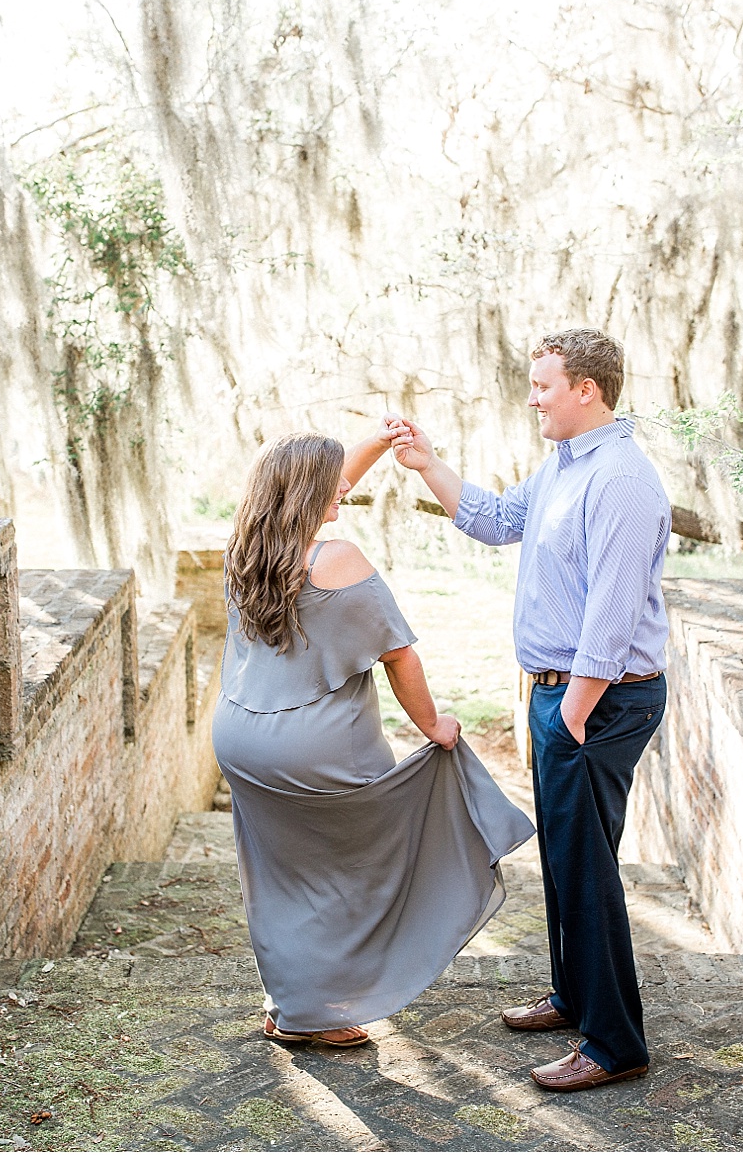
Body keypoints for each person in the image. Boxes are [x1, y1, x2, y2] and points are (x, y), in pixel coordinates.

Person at [388, 327, 671, 1092]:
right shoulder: (564, 465)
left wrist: (572, 712)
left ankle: (614, 1043)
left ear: (586, 389)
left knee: (586, 867)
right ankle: (573, 995)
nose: (532, 397)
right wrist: (428, 462)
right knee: (565, 857)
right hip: (563, 695)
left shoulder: (619, 479)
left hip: (599, 700)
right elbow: (495, 520)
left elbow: (612, 613)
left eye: (543, 385)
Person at [212, 427, 535, 1047]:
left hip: (241, 743)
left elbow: (314, 484)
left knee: (281, 877)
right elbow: (399, 655)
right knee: (359, 870)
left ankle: (289, 1006)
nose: (345, 490)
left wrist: (377, 444)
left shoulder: (246, 547)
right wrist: (434, 727)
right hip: (315, 749)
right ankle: (326, 1010)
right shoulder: (338, 559)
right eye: (334, 484)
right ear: (309, 492)